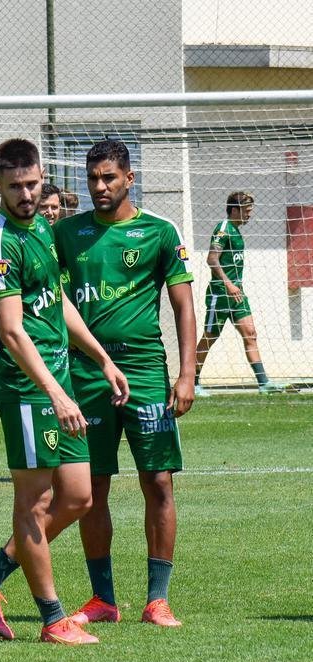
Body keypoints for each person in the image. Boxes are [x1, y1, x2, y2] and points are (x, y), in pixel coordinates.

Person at [0, 139, 129, 645]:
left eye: (32, 184)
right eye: (15, 187)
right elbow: (11, 331)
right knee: (35, 501)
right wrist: (55, 391)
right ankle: (52, 619)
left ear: (42, 176)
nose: (26, 194)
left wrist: (101, 357)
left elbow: (57, 305)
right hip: (26, 388)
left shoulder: (45, 231)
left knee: (78, 496)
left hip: (60, 379)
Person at [54, 139, 196, 628]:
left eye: (108, 177)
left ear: (129, 178)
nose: (99, 187)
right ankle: (103, 600)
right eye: (92, 178)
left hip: (145, 374)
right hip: (85, 376)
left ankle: (157, 599)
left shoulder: (158, 232)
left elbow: (183, 305)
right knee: (92, 488)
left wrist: (186, 373)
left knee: (157, 481)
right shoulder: (66, 234)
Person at [194, 192, 284, 395]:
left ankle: (264, 384)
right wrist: (229, 285)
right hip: (221, 294)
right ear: (234, 210)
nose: (250, 214)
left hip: (237, 295)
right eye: (246, 210)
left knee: (251, 334)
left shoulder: (236, 230)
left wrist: (237, 288)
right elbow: (212, 259)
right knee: (209, 337)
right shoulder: (223, 229)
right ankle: (193, 382)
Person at [0, 183, 65, 354]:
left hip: (60, 341)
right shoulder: (7, 242)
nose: (49, 212)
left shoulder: (60, 237)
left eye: (54, 207)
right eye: (44, 207)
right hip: (30, 349)